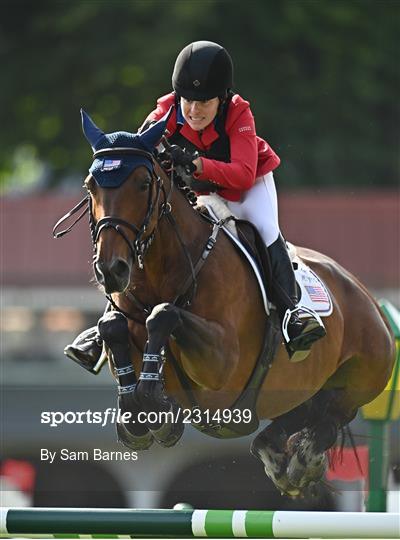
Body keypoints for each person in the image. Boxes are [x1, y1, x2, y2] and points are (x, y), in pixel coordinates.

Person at [65, 40, 325, 370]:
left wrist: (197, 164)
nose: (194, 110)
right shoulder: (166, 111)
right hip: (200, 193)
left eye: (204, 102)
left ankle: (291, 315)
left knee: (265, 227)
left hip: (247, 189)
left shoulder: (239, 114)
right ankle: (103, 328)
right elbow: (135, 155)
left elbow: (243, 175)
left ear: (222, 98)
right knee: (150, 231)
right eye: (188, 100)